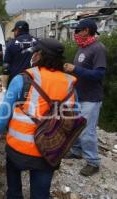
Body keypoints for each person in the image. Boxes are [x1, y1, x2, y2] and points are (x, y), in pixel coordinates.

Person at [0, 38, 77, 199]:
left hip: (19, 149)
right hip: (49, 149)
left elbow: (3, 115)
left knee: (14, 190)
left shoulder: (24, 78)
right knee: (40, 194)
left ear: (40, 55)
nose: (33, 55)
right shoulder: (70, 83)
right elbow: (73, 118)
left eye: (35, 52)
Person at [64, 18, 106, 176]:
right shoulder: (82, 48)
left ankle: (93, 162)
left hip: (91, 98)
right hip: (78, 95)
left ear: (86, 31)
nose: (76, 34)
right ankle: (76, 151)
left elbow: (99, 74)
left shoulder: (98, 48)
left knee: (88, 131)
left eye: (78, 31)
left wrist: (75, 69)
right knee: (75, 125)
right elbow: (80, 70)